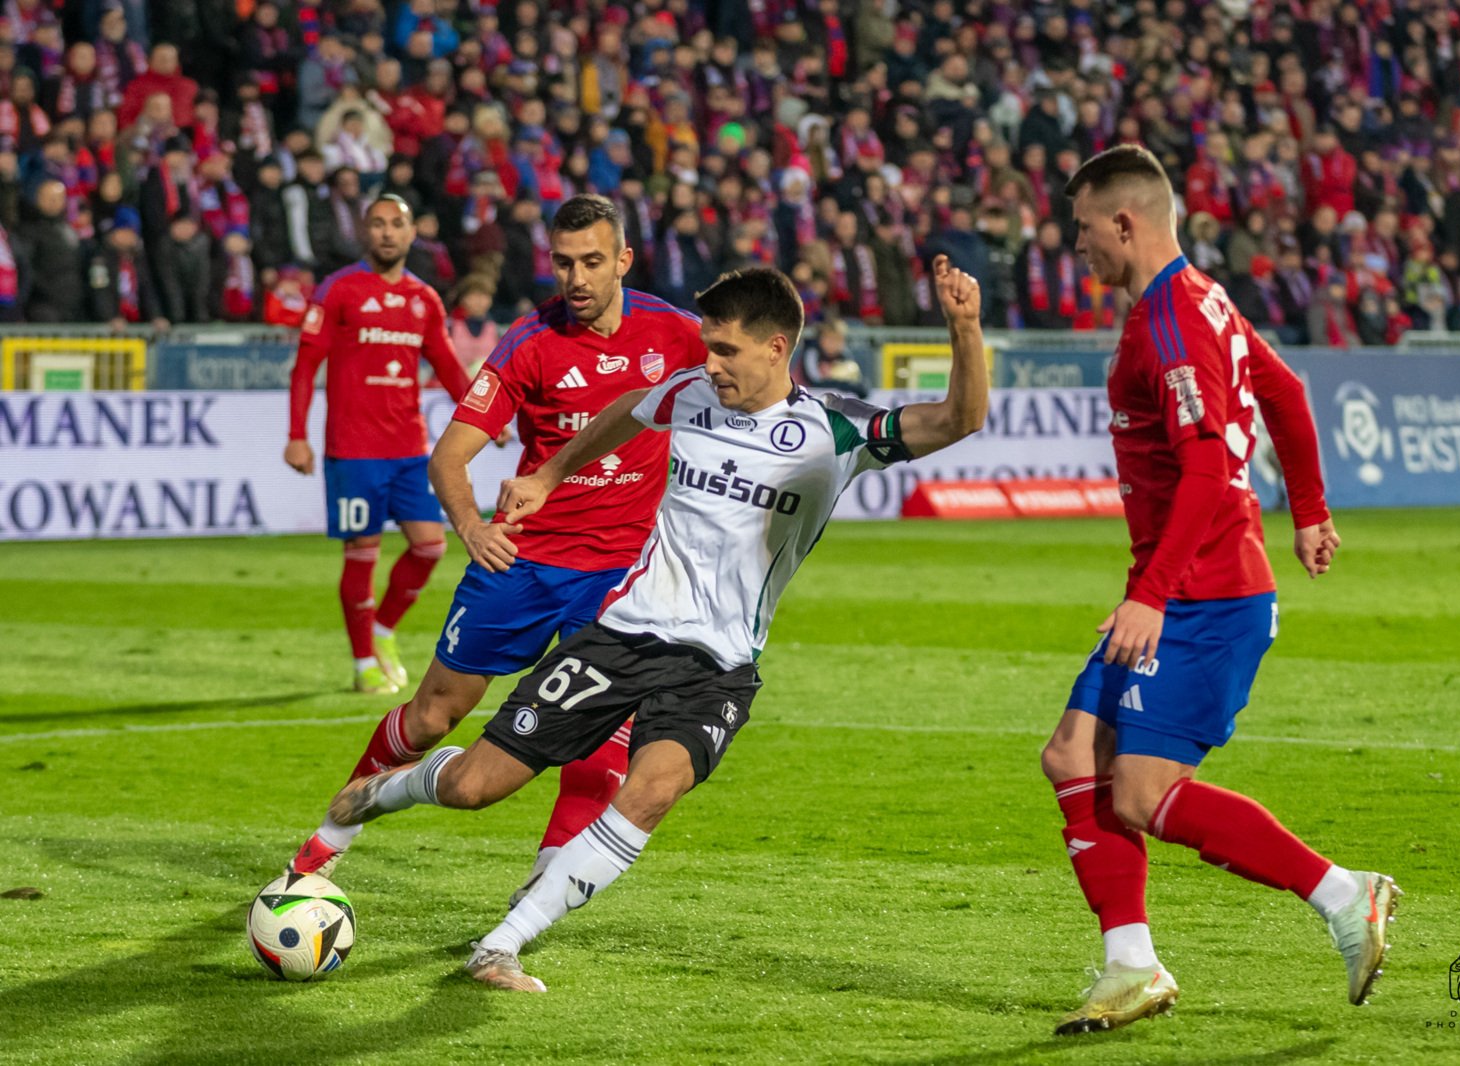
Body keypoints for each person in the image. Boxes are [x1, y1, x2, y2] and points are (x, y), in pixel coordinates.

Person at [317, 257, 987, 993]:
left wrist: (965, 330)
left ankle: (501, 944)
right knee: (477, 785)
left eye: (726, 349)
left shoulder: (838, 430)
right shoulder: (690, 392)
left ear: (776, 348)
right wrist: (548, 475)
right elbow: (631, 409)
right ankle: (389, 791)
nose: (710, 362)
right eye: (707, 344)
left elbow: (959, 419)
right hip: (623, 635)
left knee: (651, 789)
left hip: (720, 666)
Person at [1041, 145, 1398, 1035]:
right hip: (1183, 584)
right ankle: (1130, 966)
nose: (1076, 247)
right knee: (1073, 756)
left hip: (1204, 594)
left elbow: (1205, 465)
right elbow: (1285, 389)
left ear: (1124, 222)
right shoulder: (1205, 298)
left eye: (1083, 229)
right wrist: (1309, 509)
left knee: (1139, 789)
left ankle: (1346, 894)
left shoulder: (1168, 319)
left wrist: (1153, 593)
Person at [286, 195, 706, 885]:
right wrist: (472, 526)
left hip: (619, 572)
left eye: (592, 262)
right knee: (432, 715)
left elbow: (752, 374)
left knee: (601, 732)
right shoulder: (529, 341)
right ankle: (332, 834)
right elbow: (449, 458)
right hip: (525, 561)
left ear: (624, 260)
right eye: (564, 263)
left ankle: (536, 899)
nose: (576, 278)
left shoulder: (675, 332)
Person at [284, 195, 470, 696]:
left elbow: (448, 364)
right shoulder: (339, 289)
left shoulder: (424, 299)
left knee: (430, 546)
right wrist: (297, 435)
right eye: (378, 224)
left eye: (397, 225)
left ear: (412, 234)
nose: (388, 233)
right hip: (353, 450)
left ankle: (384, 630)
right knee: (361, 552)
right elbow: (305, 366)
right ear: (365, 233)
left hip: (409, 447)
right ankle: (363, 659)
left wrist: (482, 414)